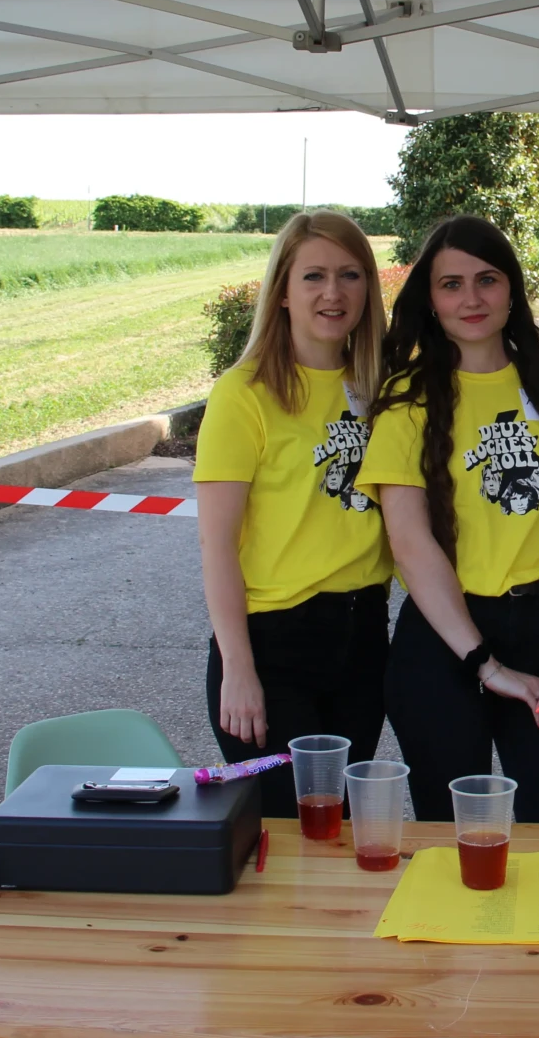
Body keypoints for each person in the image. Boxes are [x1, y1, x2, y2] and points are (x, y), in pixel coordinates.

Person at [357, 215, 539, 824]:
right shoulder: (407, 403)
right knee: (454, 843)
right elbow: (411, 545)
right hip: (445, 641)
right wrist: (484, 665)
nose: (471, 298)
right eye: (451, 284)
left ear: (512, 290)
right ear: (431, 300)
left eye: (487, 279)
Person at [194, 210, 392, 819]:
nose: (333, 292)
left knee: (340, 827)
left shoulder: (382, 388)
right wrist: (238, 668)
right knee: (293, 832)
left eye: (350, 275)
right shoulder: (244, 394)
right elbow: (217, 545)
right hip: (273, 646)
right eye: (313, 276)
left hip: (363, 639)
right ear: (282, 290)